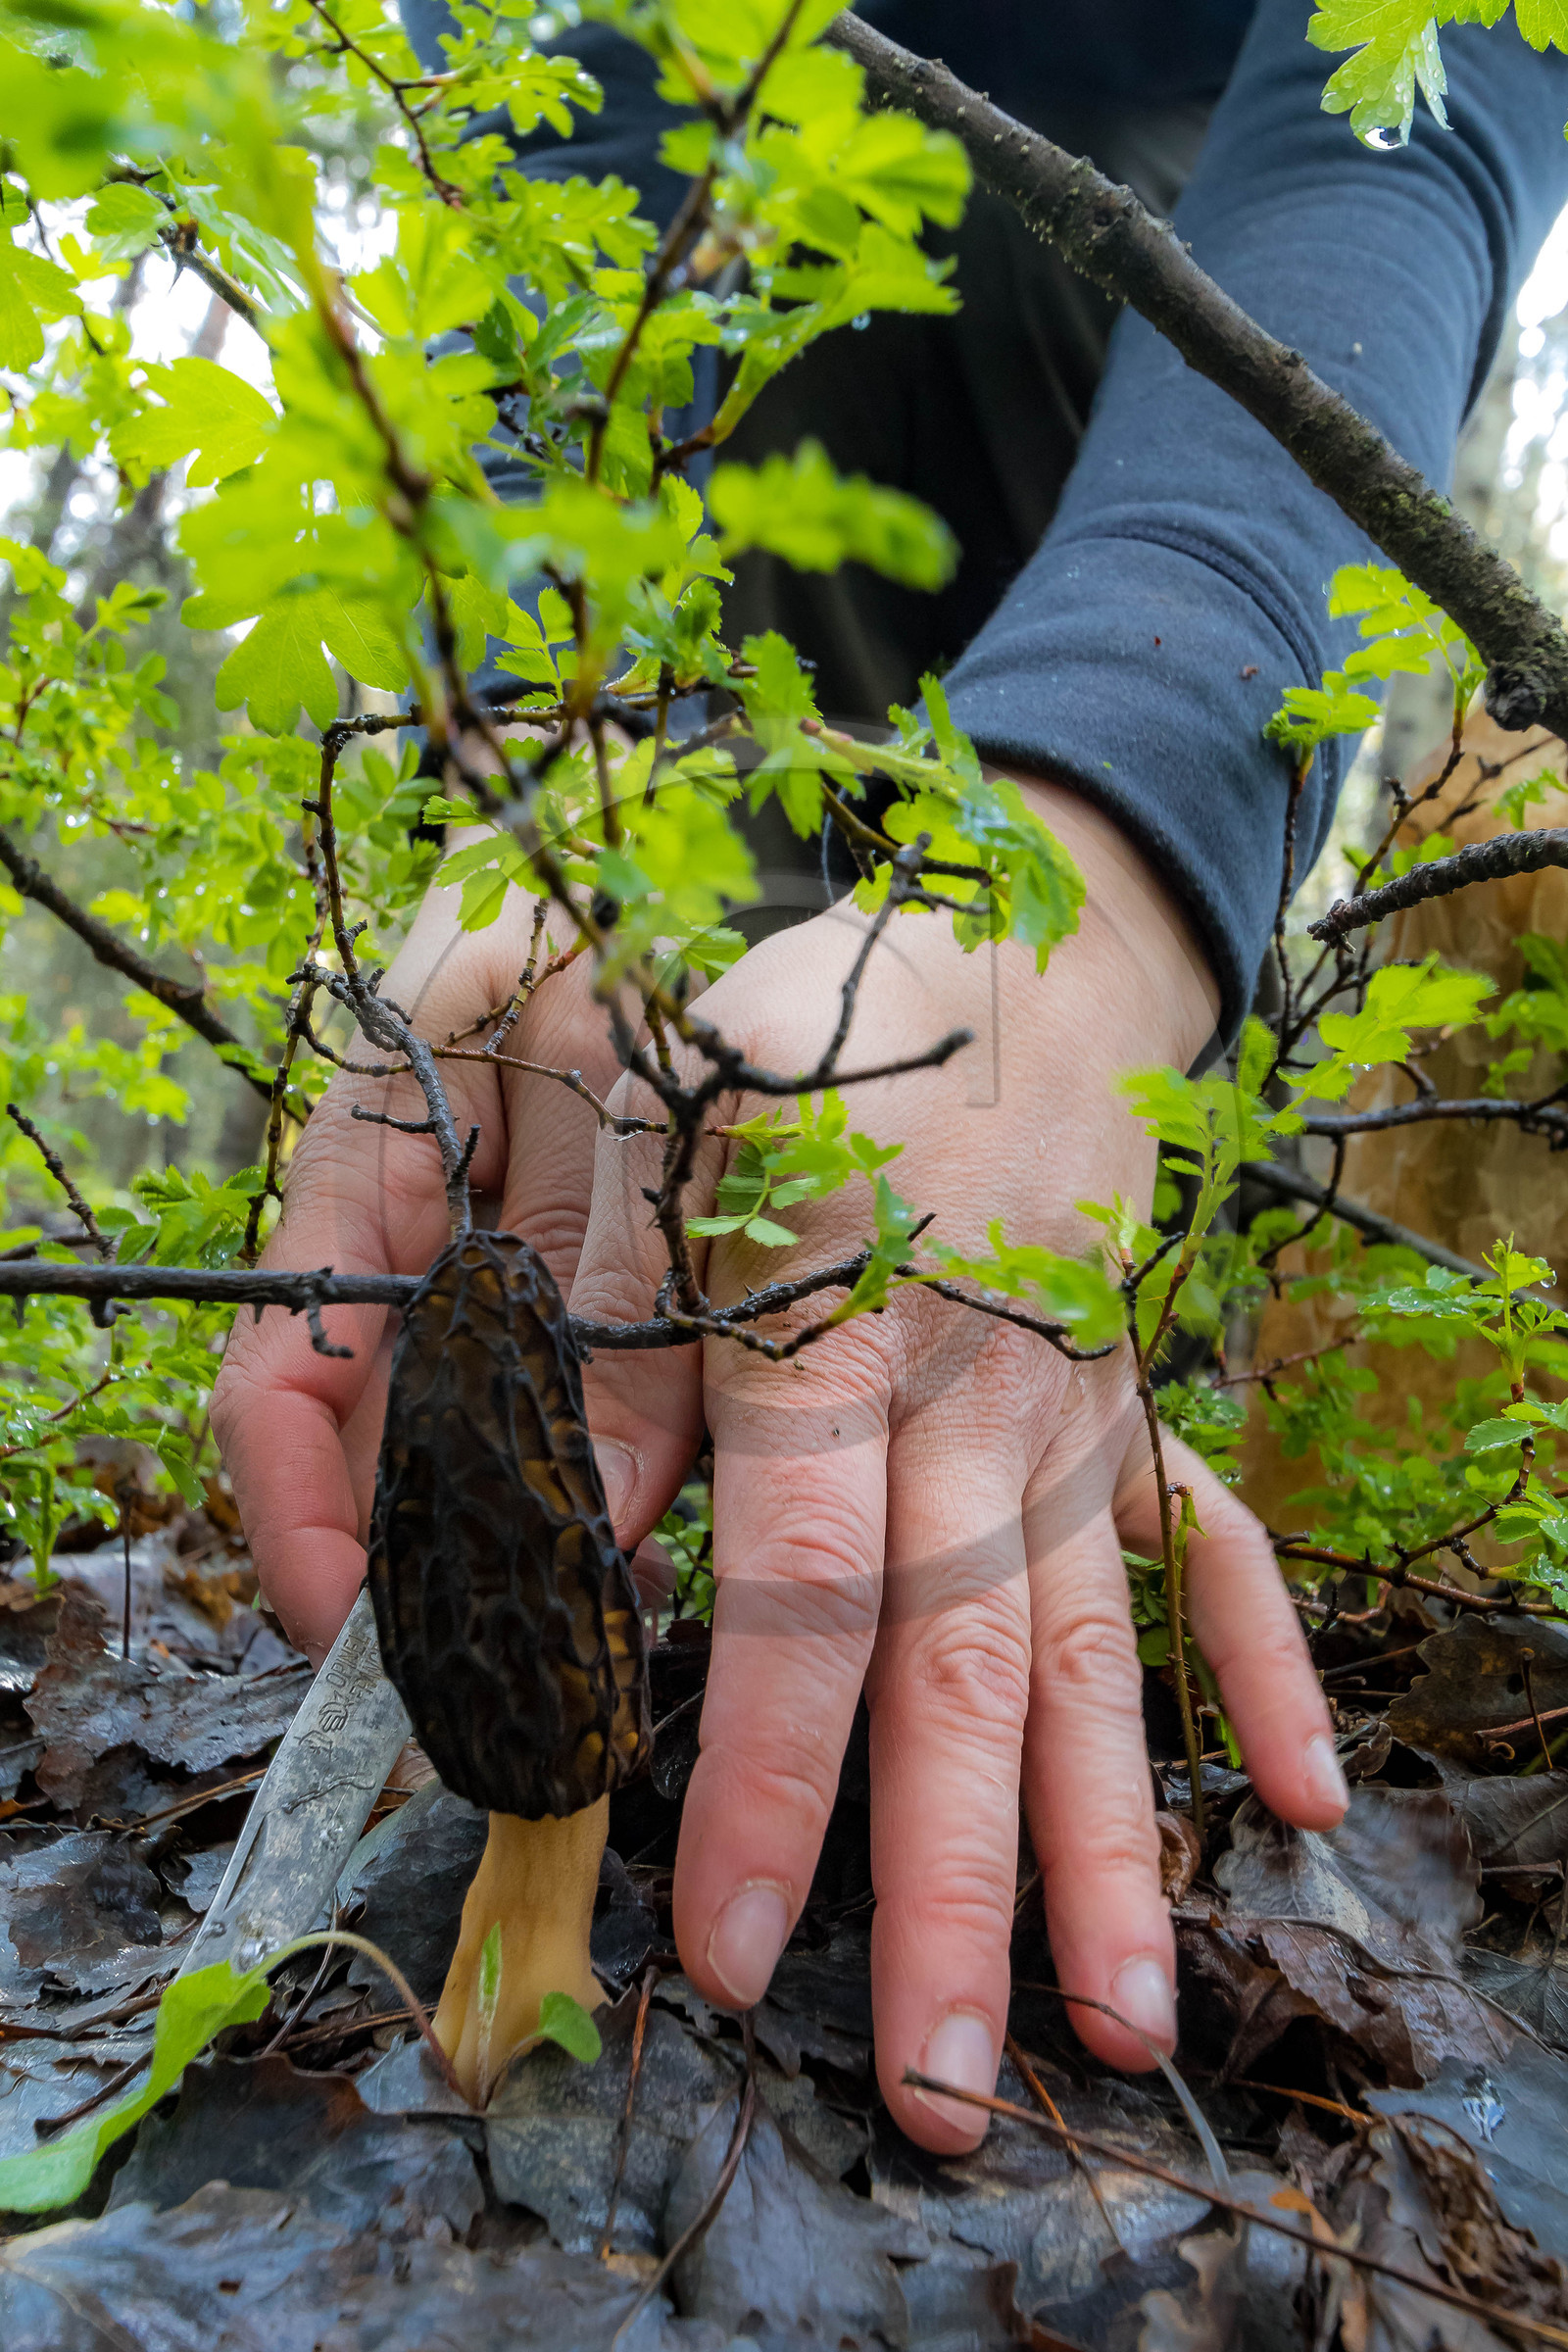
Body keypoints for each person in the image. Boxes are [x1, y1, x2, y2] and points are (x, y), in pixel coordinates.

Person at [211, 0, 1568, 2152]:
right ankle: (743, 1540)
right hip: (723, 317)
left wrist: (1104, 893)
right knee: (646, 1167)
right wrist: (551, 793)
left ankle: (995, 1434)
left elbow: (1387, 134)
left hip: (1172, 323)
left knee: (985, 1161)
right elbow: (590, 144)